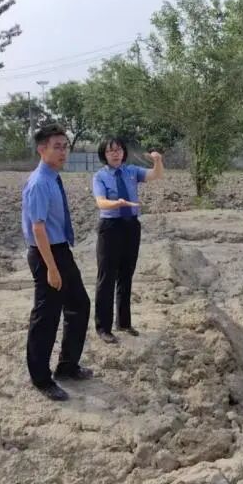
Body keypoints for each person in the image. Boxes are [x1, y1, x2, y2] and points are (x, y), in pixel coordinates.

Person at [21, 123, 93, 401]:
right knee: (46, 317)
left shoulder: (52, 178)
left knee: (79, 305)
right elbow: (37, 228)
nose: (63, 152)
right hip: (46, 254)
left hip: (60, 250)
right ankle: (41, 379)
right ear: (42, 150)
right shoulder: (39, 182)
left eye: (65, 146)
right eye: (57, 147)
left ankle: (67, 365)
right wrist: (51, 268)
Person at [92, 137, 164, 344]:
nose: (115, 154)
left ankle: (124, 323)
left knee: (126, 275)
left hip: (131, 226)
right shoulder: (100, 176)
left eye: (118, 150)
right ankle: (103, 327)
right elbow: (101, 202)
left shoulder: (131, 171)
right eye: (110, 151)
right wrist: (117, 203)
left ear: (123, 152)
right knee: (106, 278)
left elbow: (155, 175)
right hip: (110, 227)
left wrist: (157, 161)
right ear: (104, 155)